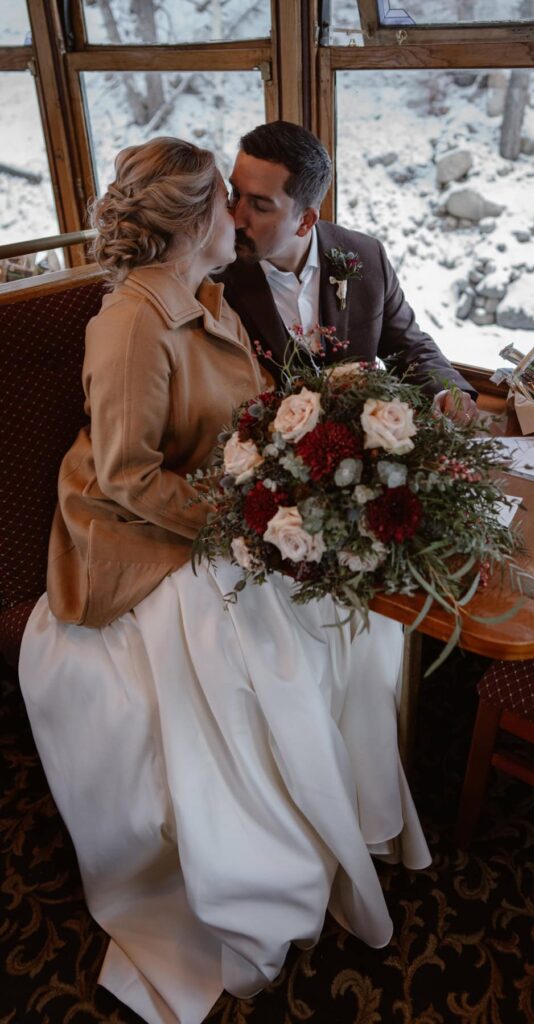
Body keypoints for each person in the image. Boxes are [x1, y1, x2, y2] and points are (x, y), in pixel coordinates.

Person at [18, 137, 430, 1024]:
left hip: (214, 500)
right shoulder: (131, 322)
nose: (239, 219)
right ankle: (264, 854)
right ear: (195, 222)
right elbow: (126, 476)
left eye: (251, 205)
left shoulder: (202, 295)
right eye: (225, 204)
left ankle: (344, 809)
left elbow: (242, 420)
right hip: (135, 531)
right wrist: (246, 524)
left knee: (357, 619)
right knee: (260, 643)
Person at [213, 120, 478, 424]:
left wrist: (449, 391)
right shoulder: (213, 274)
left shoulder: (367, 257)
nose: (236, 218)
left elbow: (409, 346)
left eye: (259, 206)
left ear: (305, 220)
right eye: (235, 194)